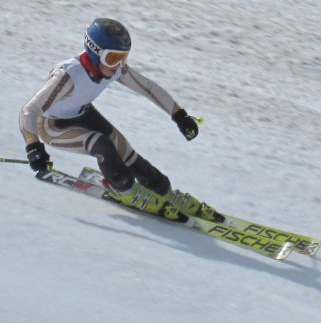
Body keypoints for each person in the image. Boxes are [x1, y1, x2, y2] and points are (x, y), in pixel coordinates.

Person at [19, 18, 221, 222]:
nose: (119, 65)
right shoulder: (68, 75)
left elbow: (148, 88)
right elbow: (29, 110)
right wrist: (34, 148)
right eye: (113, 57)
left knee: (128, 155)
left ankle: (164, 191)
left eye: (123, 57)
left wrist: (179, 115)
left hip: (84, 114)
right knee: (102, 145)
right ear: (95, 52)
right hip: (52, 125)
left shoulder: (113, 69)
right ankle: (125, 190)